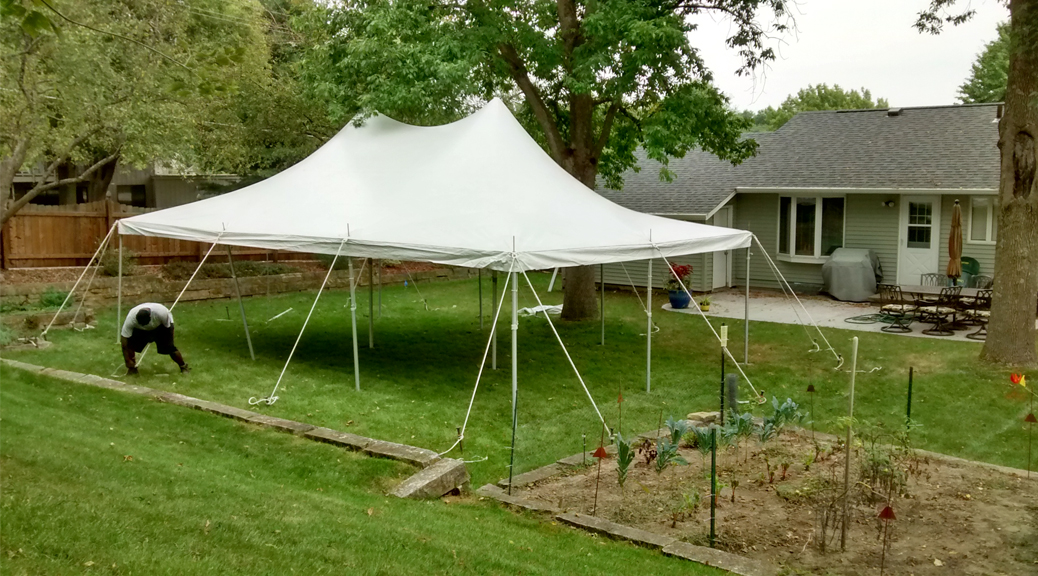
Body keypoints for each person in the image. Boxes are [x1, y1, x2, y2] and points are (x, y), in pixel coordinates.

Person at [121, 303, 189, 375]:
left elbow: (169, 329)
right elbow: (124, 340)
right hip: (140, 330)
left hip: (160, 326)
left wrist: (169, 342)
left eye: (145, 323)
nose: (144, 325)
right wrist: (127, 360)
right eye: (141, 323)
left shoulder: (161, 313)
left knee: (170, 348)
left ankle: (183, 366)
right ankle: (132, 369)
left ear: (150, 316)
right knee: (130, 345)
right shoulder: (131, 319)